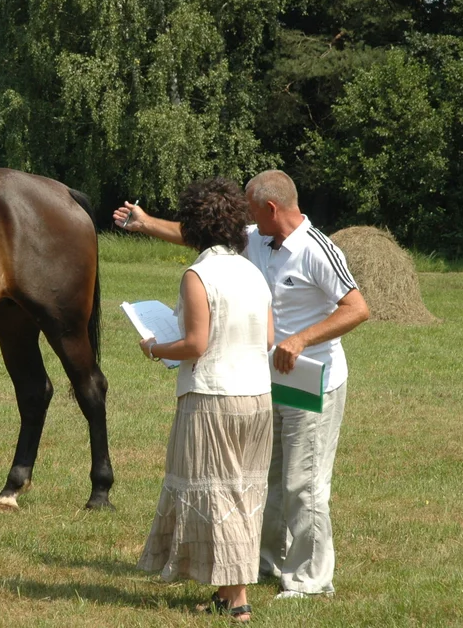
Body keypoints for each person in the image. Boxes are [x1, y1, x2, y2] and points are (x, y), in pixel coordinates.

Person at [115, 169, 369, 599]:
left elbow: (357, 308)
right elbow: (202, 232)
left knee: (303, 482)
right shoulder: (255, 237)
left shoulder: (316, 249)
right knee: (265, 477)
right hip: (262, 378)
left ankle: (310, 580)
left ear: (271, 208)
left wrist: (301, 339)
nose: (242, 221)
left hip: (313, 381)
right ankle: (264, 562)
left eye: (249, 211)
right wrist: (146, 222)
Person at [134, 178, 274, 623]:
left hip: (213, 397)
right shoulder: (253, 271)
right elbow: (269, 337)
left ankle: (238, 601)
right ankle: (227, 591)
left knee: (216, 494)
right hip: (257, 397)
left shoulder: (198, 274)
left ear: (194, 225)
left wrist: (156, 348)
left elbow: (195, 343)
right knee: (244, 491)